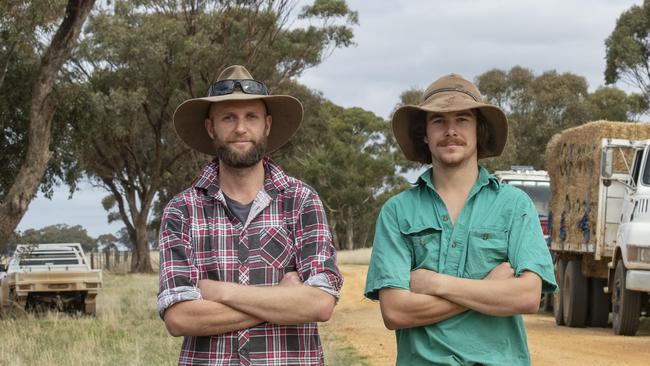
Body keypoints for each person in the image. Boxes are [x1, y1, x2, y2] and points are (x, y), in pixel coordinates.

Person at [364, 74, 557, 365]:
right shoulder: (397, 211)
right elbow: (395, 313)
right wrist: (489, 288)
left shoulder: (514, 205)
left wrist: (434, 283)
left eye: (462, 119)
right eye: (439, 120)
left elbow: (527, 296)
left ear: (479, 130)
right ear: (424, 134)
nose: (451, 130)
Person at [157, 65, 342, 366]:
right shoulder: (182, 211)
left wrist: (218, 291)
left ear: (267, 124)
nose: (240, 128)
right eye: (228, 117)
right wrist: (282, 301)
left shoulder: (301, 202)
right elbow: (180, 317)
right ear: (210, 127)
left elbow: (320, 304)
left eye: (251, 117)